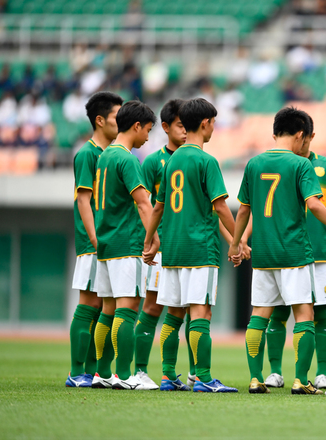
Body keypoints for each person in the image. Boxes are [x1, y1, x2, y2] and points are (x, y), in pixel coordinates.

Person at [228, 107, 326, 395]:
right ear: (301, 135)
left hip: (264, 254)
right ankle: (301, 380)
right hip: (293, 252)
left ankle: (255, 378)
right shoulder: (301, 165)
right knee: (305, 315)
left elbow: (243, 210)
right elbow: (315, 205)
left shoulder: (254, 163)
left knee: (259, 315)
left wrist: (236, 242)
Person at [143, 98, 239, 393]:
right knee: (201, 313)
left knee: (173, 313)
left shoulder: (171, 161)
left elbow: (157, 207)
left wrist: (149, 240)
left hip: (172, 248)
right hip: (200, 248)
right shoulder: (205, 160)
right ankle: (203, 378)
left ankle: (169, 375)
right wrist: (238, 241)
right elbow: (221, 207)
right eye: (214, 122)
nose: (214, 128)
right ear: (206, 123)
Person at [262, 114, 326, 391]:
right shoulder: (282, 164)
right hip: (286, 252)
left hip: (319, 252)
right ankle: (275, 372)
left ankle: (321, 372)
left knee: (320, 314)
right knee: (278, 314)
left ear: (309, 136)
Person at [93, 100, 159, 390]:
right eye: (147, 130)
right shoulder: (129, 159)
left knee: (108, 309)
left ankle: (102, 373)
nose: (147, 136)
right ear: (136, 126)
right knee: (128, 308)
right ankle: (123, 375)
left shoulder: (105, 156)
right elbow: (144, 203)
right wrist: (152, 237)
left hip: (107, 242)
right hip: (127, 243)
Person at [66, 91, 122, 388]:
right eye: (117, 117)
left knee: (106, 307)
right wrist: (93, 238)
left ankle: (95, 370)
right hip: (95, 243)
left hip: (111, 242)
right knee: (89, 304)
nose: (122, 121)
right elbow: (83, 200)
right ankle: (77, 372)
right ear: (100, 121)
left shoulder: (113, 154)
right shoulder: (88, 154)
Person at [134, 99, 186, 390]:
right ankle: (140, 370)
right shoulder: (153, 162)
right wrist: (150, 240)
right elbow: (143, 204)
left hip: (187, 247)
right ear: (165, 128)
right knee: (153, 307)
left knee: (189, 310)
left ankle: (175, 374)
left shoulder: (196, 158)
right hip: (162, 247)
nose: (186, 131)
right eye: (181, 126)